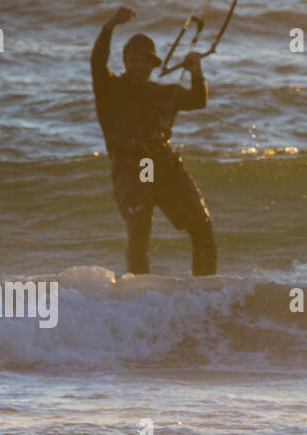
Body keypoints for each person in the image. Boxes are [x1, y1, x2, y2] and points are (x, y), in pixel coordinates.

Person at [91, 6, 216, 276]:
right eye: (133, 60)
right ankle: (140, 298)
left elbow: (198, 100)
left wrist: (196, 71)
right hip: (132, 167)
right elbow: (97, 62)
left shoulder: (163, 92)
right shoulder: (109, 89)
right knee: (140, 229)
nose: (137, 66)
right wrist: (109, 27)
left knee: (202, 224)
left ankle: (206, 296)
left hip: (163, 163)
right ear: (125, 62)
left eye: (143, 61)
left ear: (152, 65)